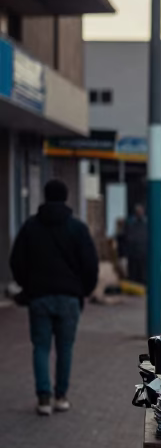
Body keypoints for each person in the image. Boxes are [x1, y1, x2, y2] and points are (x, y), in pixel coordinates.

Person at [9, 178, 99, 416]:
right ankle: (61, 396)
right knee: (65, 347)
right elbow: (90, 264)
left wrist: (27, 285)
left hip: (39, 297)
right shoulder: (77, 228)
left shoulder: (30, 227)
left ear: (45, 197)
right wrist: (85, 290)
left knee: (40, 346)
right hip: (70, 297)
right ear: (66, 197)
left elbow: (16, 261)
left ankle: (43, 398)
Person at [125, 204, 148, 283]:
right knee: (136, 271)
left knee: (141, 271)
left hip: (141, 251)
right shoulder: (132, 223)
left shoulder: (144, 223)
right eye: (138, 212)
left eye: (140, 211)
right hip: (136, 251)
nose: (140, 213)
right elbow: (128, 237)